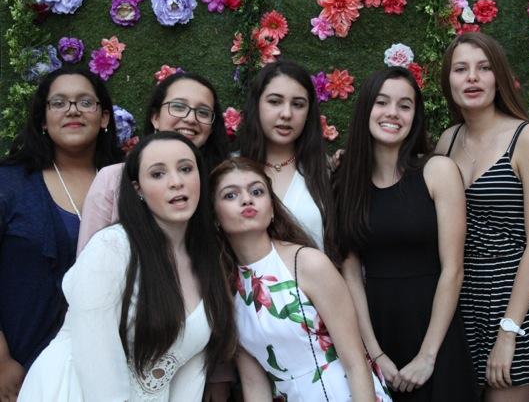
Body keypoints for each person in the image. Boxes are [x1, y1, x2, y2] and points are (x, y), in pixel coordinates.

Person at [18, 131, 236, 402]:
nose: (176, 182)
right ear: (138, 190)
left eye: (186, 169)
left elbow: (190, 370)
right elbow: (96, 360)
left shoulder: (208, 260)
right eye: (158, 174)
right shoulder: (111, 247)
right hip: (73, 390)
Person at [333, 66, 479, 401]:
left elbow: (453, 270)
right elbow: (351, 274)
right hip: (379, 333)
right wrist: (375, 353)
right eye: (382, 102)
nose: (392, 113)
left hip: (436, 335)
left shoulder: (437, 171)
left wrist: (428, 356)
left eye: (404, 105)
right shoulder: (346, 182)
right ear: (366, 109)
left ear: (415, 116)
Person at [435, 32, 529, 401]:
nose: (472, 77)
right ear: (449, 81)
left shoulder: (527, 138)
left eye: (483, 68)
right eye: (461, 69)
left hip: (513, 302)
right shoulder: (447, 141)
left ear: (498, 78)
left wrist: (509, 333)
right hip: (461, 298)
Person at [210, 157, 391, 401]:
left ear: (272, 208)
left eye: (257, 191)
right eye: (230, 195)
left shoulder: (308, 263)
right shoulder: (225, 288)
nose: (246, 199)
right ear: (215, 217)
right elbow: (253, 383)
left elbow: (356, 362)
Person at [0, 67, 121, 401]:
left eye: (85, 102)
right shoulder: (9, 183)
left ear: (104, 117)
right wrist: (0, 360)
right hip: (18, 367)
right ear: (43, 119)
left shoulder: (127, 184)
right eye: (59, 103)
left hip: (104, 371)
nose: (72, 110)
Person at [77, 71, 230, 253]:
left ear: (211, 129)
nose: (190, 118)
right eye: (179, 107)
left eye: (203, 112)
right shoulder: (113, 178)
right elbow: (88, 260)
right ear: (155, 118)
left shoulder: (222, 183)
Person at [237, 60, 334, 257]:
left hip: (317, 285)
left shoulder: (325, 169)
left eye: (298, 105)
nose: (287, 114)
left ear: (308, 113)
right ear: (257, 105)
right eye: (275, 101)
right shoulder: (232, 169)